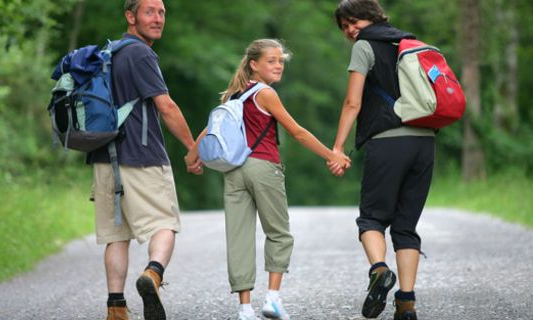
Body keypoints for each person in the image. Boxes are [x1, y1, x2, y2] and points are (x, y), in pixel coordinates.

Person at [185, 39, 351, 320]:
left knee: (238, 237)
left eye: (280, 61)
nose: (278, 66)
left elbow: (210, 128)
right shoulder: (266, 94)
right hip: (263, 167)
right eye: (271, 61)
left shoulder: (234, 94)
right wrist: (331, 155)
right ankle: (272, 299)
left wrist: (192, 156)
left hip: (234, 172)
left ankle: (244, 309)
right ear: (254, 64)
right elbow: (297, 132)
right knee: (278, 233)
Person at [87, 1, 203, 319]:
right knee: (165, 223)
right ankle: (152, 274)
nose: (158, 18)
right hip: (142, 156)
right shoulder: (141, 53)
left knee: (116, 236)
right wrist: (193, 147)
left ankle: (116, 308)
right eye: (149, 11)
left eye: (162, 12)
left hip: (102, 157)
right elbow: (165, 106)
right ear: (130, 16)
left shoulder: (107, 53)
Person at [328, 1, 436, 319]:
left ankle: (379, 271)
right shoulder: (409, 43)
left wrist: (338, 147)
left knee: (372, 219)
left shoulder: (365, 45)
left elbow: (352, 102)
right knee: (406, 226)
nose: (349, 29)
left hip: (387, 141)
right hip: (425, 142)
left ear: (372, 17)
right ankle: (406, 303)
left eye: (353, 21)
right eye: (343, 26)